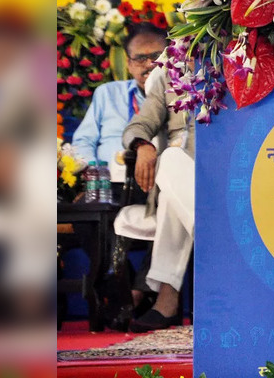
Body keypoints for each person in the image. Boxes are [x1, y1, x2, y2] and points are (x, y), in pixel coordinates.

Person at [115, 63, 196, 332]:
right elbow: (140, 124)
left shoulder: (239, 61)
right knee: (172, 160)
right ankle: (219, 244)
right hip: (177, 171)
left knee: (173, 187)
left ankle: (167, 298)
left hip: (225, 171)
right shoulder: (168, 71)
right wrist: (143, 145)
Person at [70, 24, 168, 182]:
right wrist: (95, 176)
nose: (150, 64)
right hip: (110, 187)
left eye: (157, 56)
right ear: (129, 64)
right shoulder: (107, 93)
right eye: (140, 58)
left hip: (162, 184)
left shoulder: (182, 97)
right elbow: (84, 141)